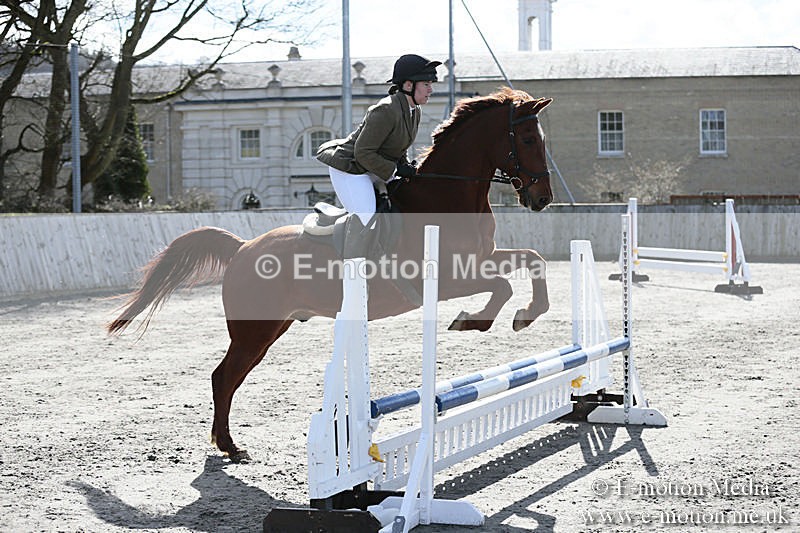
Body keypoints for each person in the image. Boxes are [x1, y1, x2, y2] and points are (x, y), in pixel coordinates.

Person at [316, 53, 441, 258]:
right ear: (409, 85)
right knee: (365, 215)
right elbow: (363, 152)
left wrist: (406, 166)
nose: (431, 89)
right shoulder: (385, 109)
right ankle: (352, 269)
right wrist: (394, 169)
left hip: (371, 166)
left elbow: (396, 146)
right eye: (426, 84)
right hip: (351, 169)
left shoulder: (414, 110)